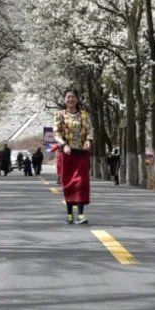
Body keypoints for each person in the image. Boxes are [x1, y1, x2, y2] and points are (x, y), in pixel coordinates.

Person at [54, 88, 92, 225]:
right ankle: (69, 214)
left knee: (81, 183)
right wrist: (64, 145)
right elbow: (56, 133)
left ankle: (81, 215)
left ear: (77, 99)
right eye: (68, 97)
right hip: (67, 153)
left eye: (73, 97)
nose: (71, 99)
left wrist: (89, 140)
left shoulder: (84, 115)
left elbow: (89, 131)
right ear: (64, 100)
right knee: (68, 183)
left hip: (81, 153)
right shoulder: (59, 115)